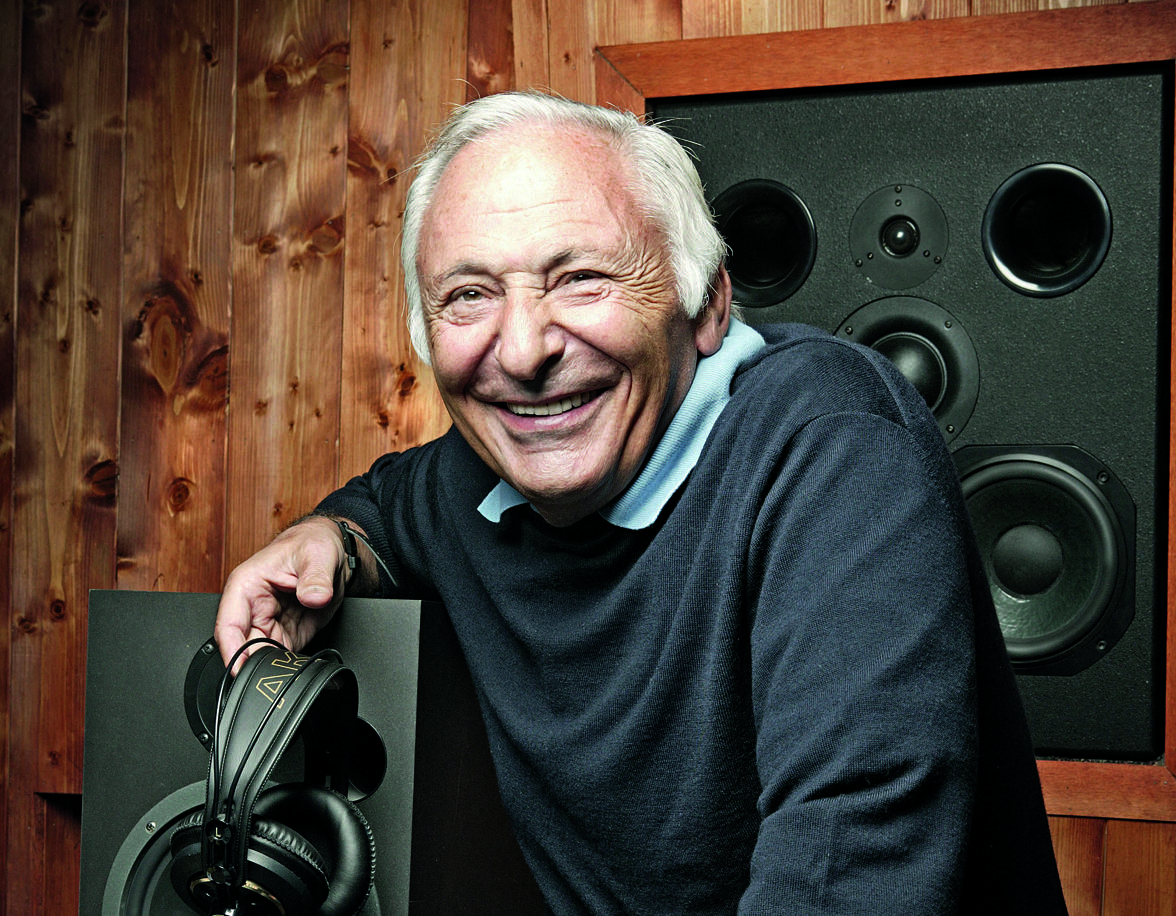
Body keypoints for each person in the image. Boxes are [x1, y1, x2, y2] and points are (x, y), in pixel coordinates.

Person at [216, 90, 1067, 914]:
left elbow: (847, 866)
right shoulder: (476, 478)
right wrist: (332, 540)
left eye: (582, 279)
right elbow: (387, 506)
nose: (523, 351)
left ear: (708, 305)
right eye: (469, 295)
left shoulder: (830, 441)